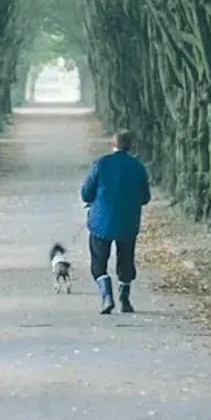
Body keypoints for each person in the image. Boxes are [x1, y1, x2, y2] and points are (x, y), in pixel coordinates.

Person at [80, 129, 151, 314]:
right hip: (128, 222)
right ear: (130, 145)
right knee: (126, 259)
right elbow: (145, 197)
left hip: (100, 222)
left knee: (99, 260)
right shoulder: (138, 166)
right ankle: (125, 297)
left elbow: (86, 192)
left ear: (113, 144)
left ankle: (106, 297)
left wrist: (93, 200)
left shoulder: (101, 164)